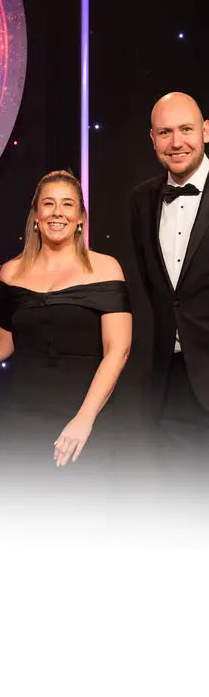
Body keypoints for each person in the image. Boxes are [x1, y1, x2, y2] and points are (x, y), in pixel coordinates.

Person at [0, 170, 131, 493]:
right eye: (49, 203)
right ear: (36, 215)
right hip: (20, 419)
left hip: (84, 418)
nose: (58, 212)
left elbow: (118, 351)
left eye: (68, 204)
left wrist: (84, 419)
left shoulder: (106, 268)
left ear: (80, 216)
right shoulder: (10, 272)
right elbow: (0, 347)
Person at [130, 91, 209, 488]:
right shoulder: (142, 199)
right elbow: (155, 289)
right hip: (173, 380)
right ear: (152, 138)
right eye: (165, 132)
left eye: (186, 130)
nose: (177, 142)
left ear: (206, 131)